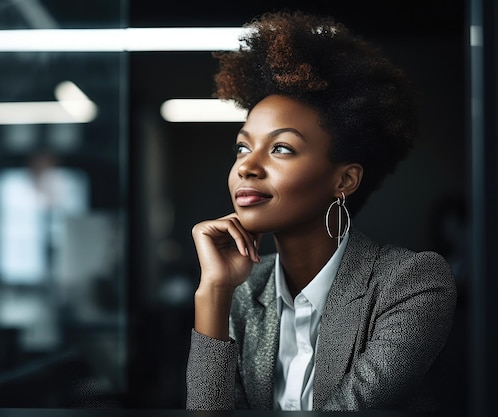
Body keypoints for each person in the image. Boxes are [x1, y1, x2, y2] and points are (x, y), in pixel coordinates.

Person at [185, 10, 457, 411]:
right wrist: (214, 291)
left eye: (281, 148)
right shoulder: (243, 289)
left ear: (344, 180)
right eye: (243, 147)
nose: (247, 166)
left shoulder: (412, 284)